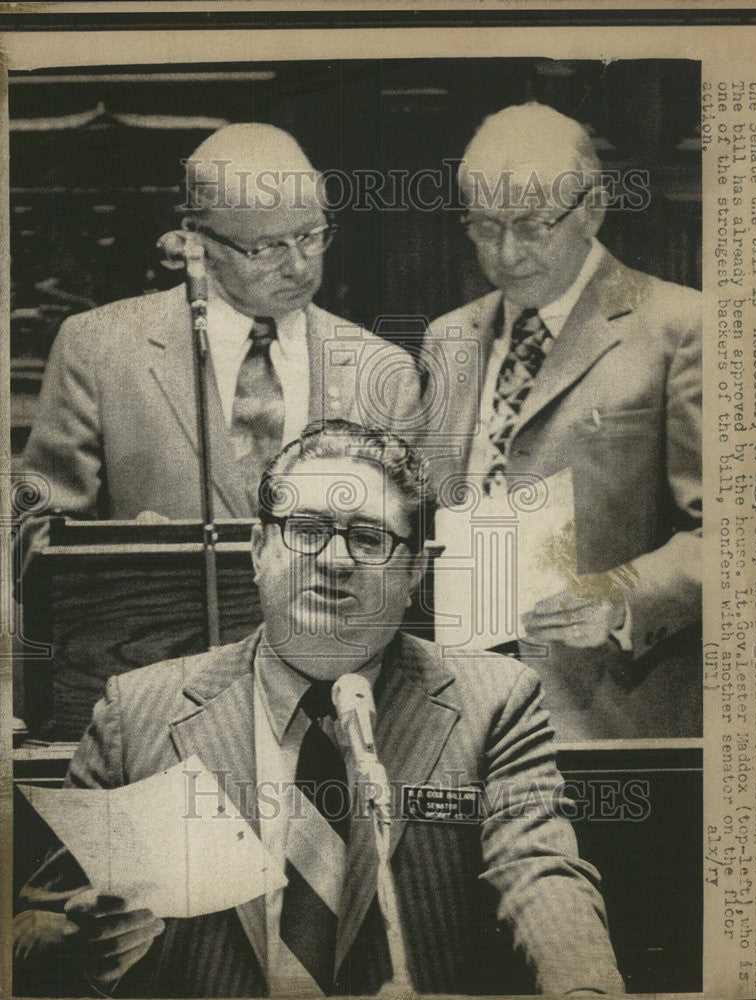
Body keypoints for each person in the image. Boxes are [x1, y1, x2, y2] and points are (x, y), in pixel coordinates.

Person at [15, 420, 624, 998]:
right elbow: (33, 929)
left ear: (414, 571)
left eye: (369, 538)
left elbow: (541, 875)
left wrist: (583, 985)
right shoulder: (138, 712)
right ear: (259, 549)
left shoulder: (494, 703)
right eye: (307, 529)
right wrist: (79, 947)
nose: (336, 560)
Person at [422, 102, 702, 738]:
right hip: (458, 708)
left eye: (532, 225)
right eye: (484, 226)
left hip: (608, 714)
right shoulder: (448, 339)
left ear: (593, 209)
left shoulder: (681, 327)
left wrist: (618, 594)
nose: (507, 253)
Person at [21, 123, 422, 521]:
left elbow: (405, 546)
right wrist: (131, 554)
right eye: (265, 249)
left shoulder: (384, 371)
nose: (298, 268)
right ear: (199, 238)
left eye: (310, 236)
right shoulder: (97, 348)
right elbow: (42, 535)